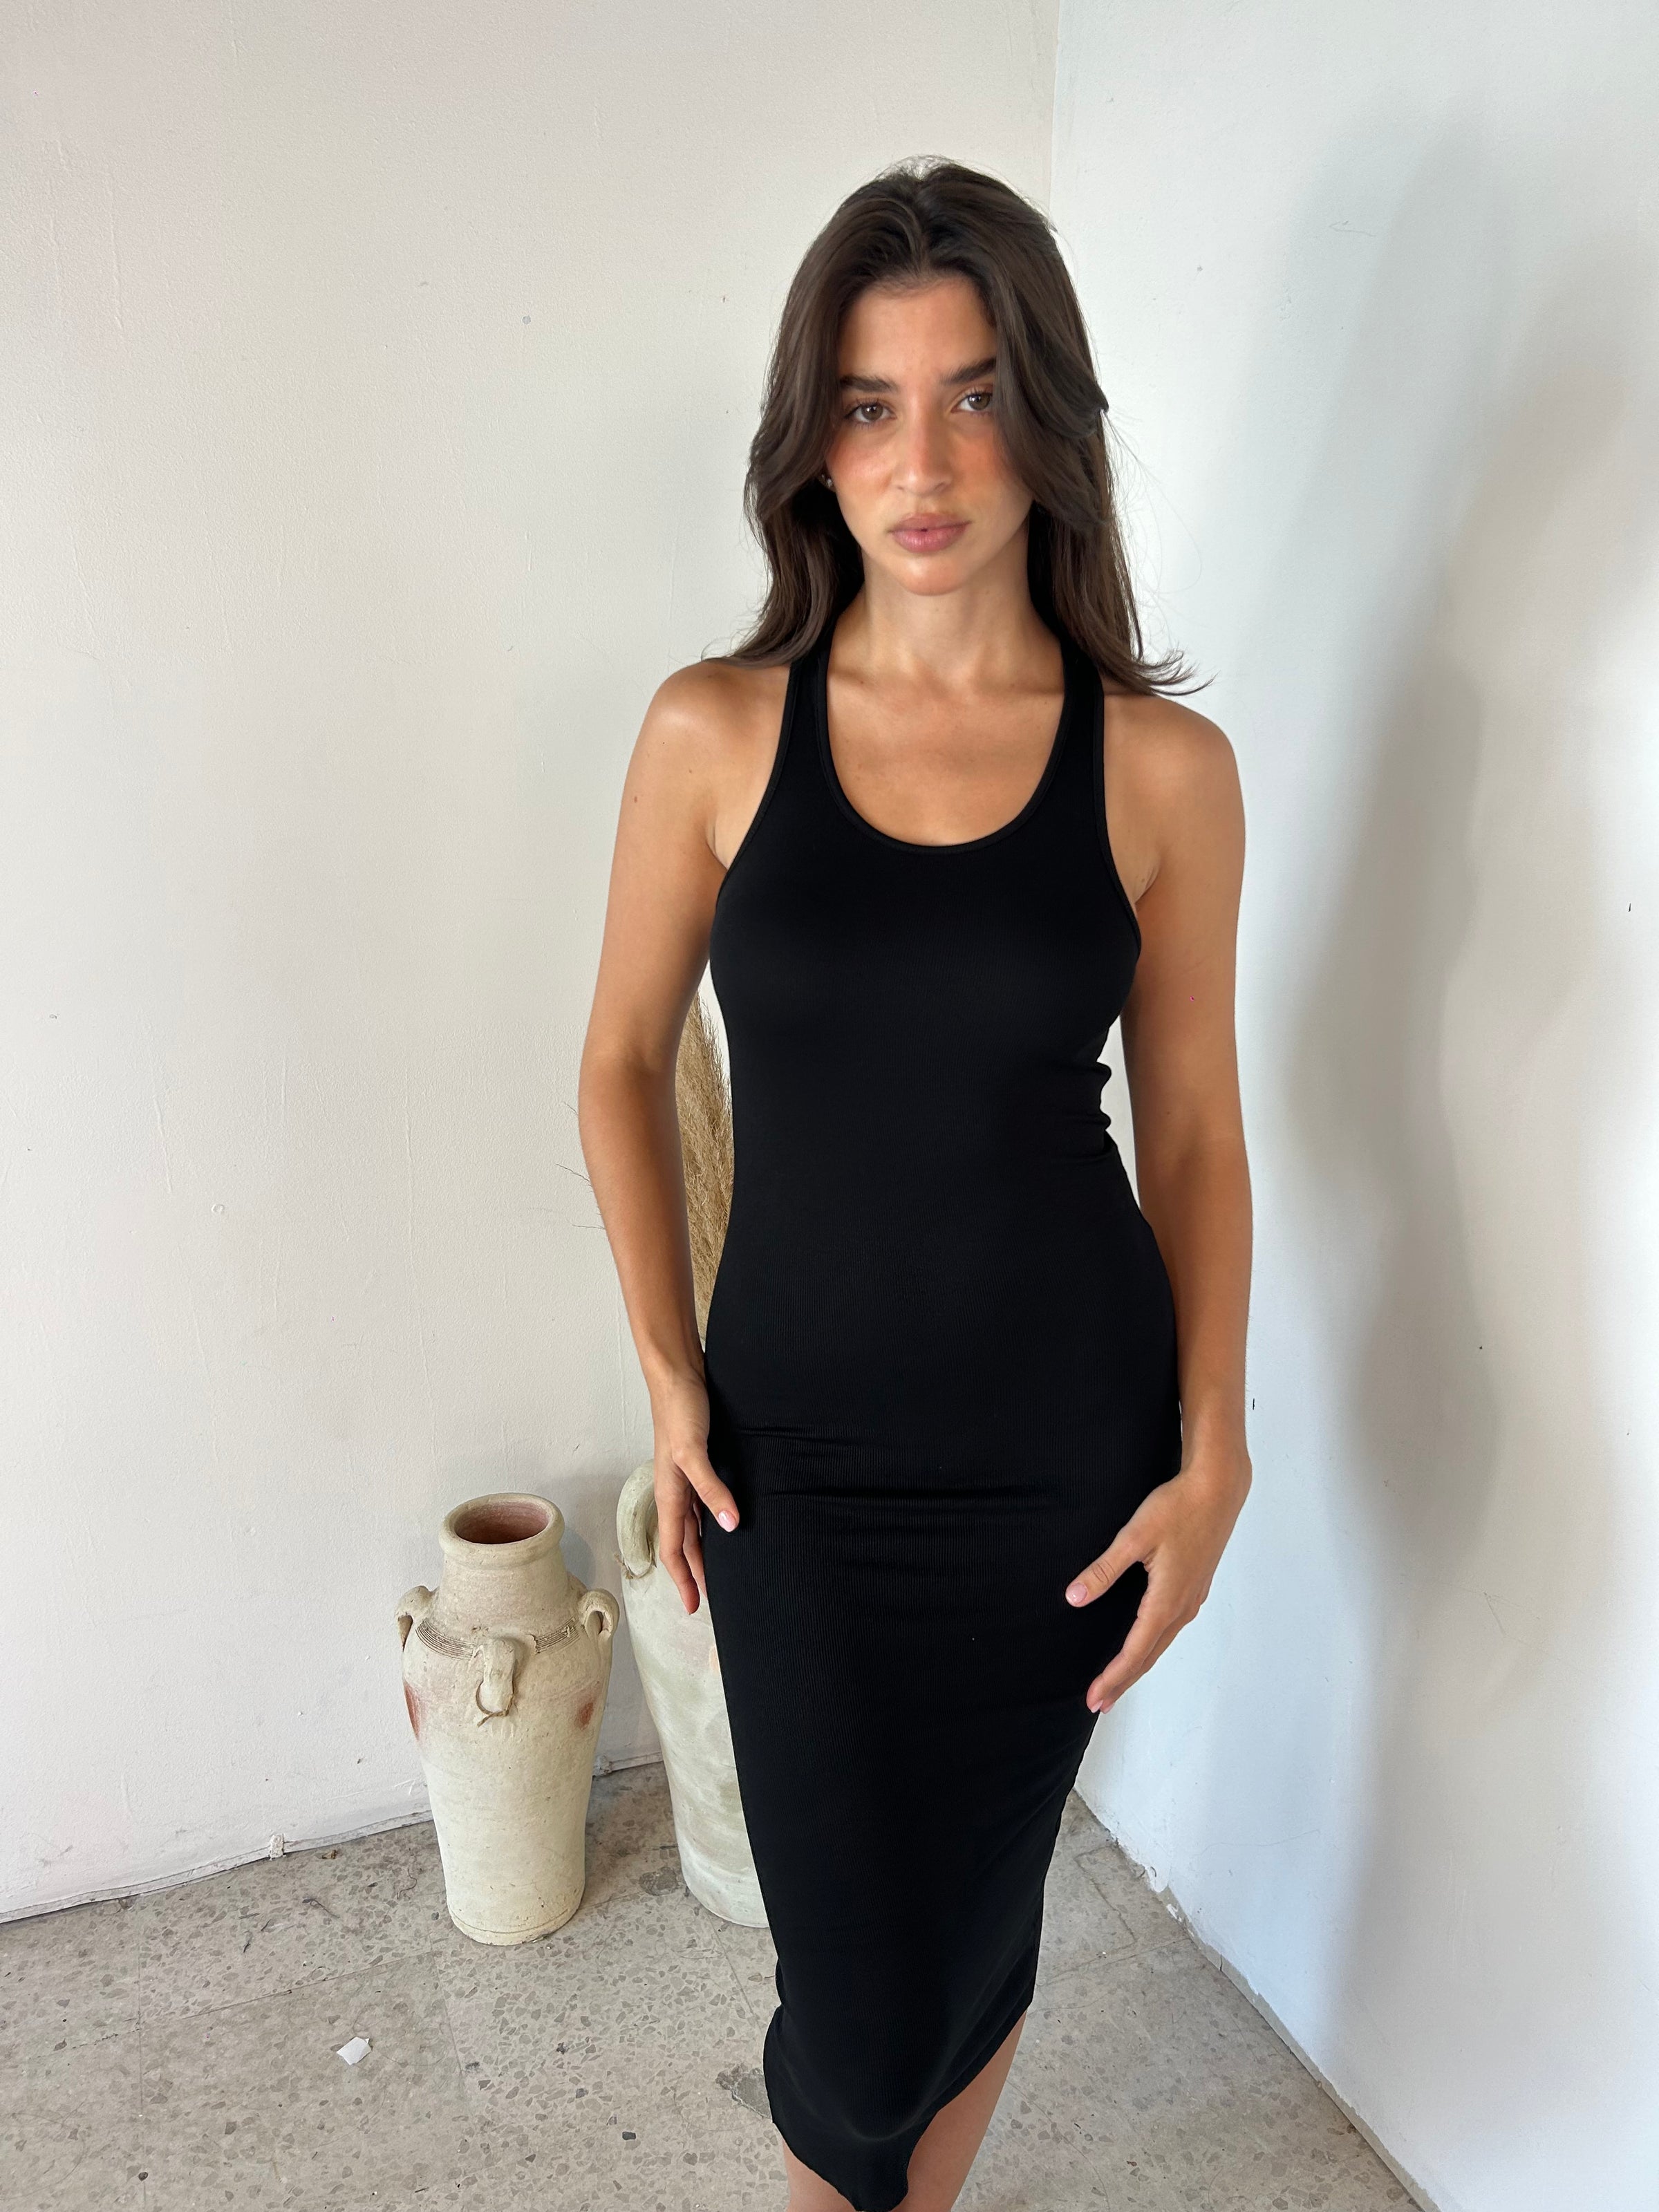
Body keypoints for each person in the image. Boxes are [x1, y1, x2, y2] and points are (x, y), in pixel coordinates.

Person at [578, 156, 1253, 2212]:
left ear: (1049, 422)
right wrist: (669, 1372)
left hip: (1065, 1451)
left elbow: (1196, 1129)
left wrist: (1214, 1449)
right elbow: (618, 1061)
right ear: (814, 443)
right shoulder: (714, 733)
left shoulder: (1162, 770)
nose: (926, 461)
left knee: (967, 1904)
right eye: (871, 405)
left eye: (974, 395)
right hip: (797, 1454)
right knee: (862, 1992)